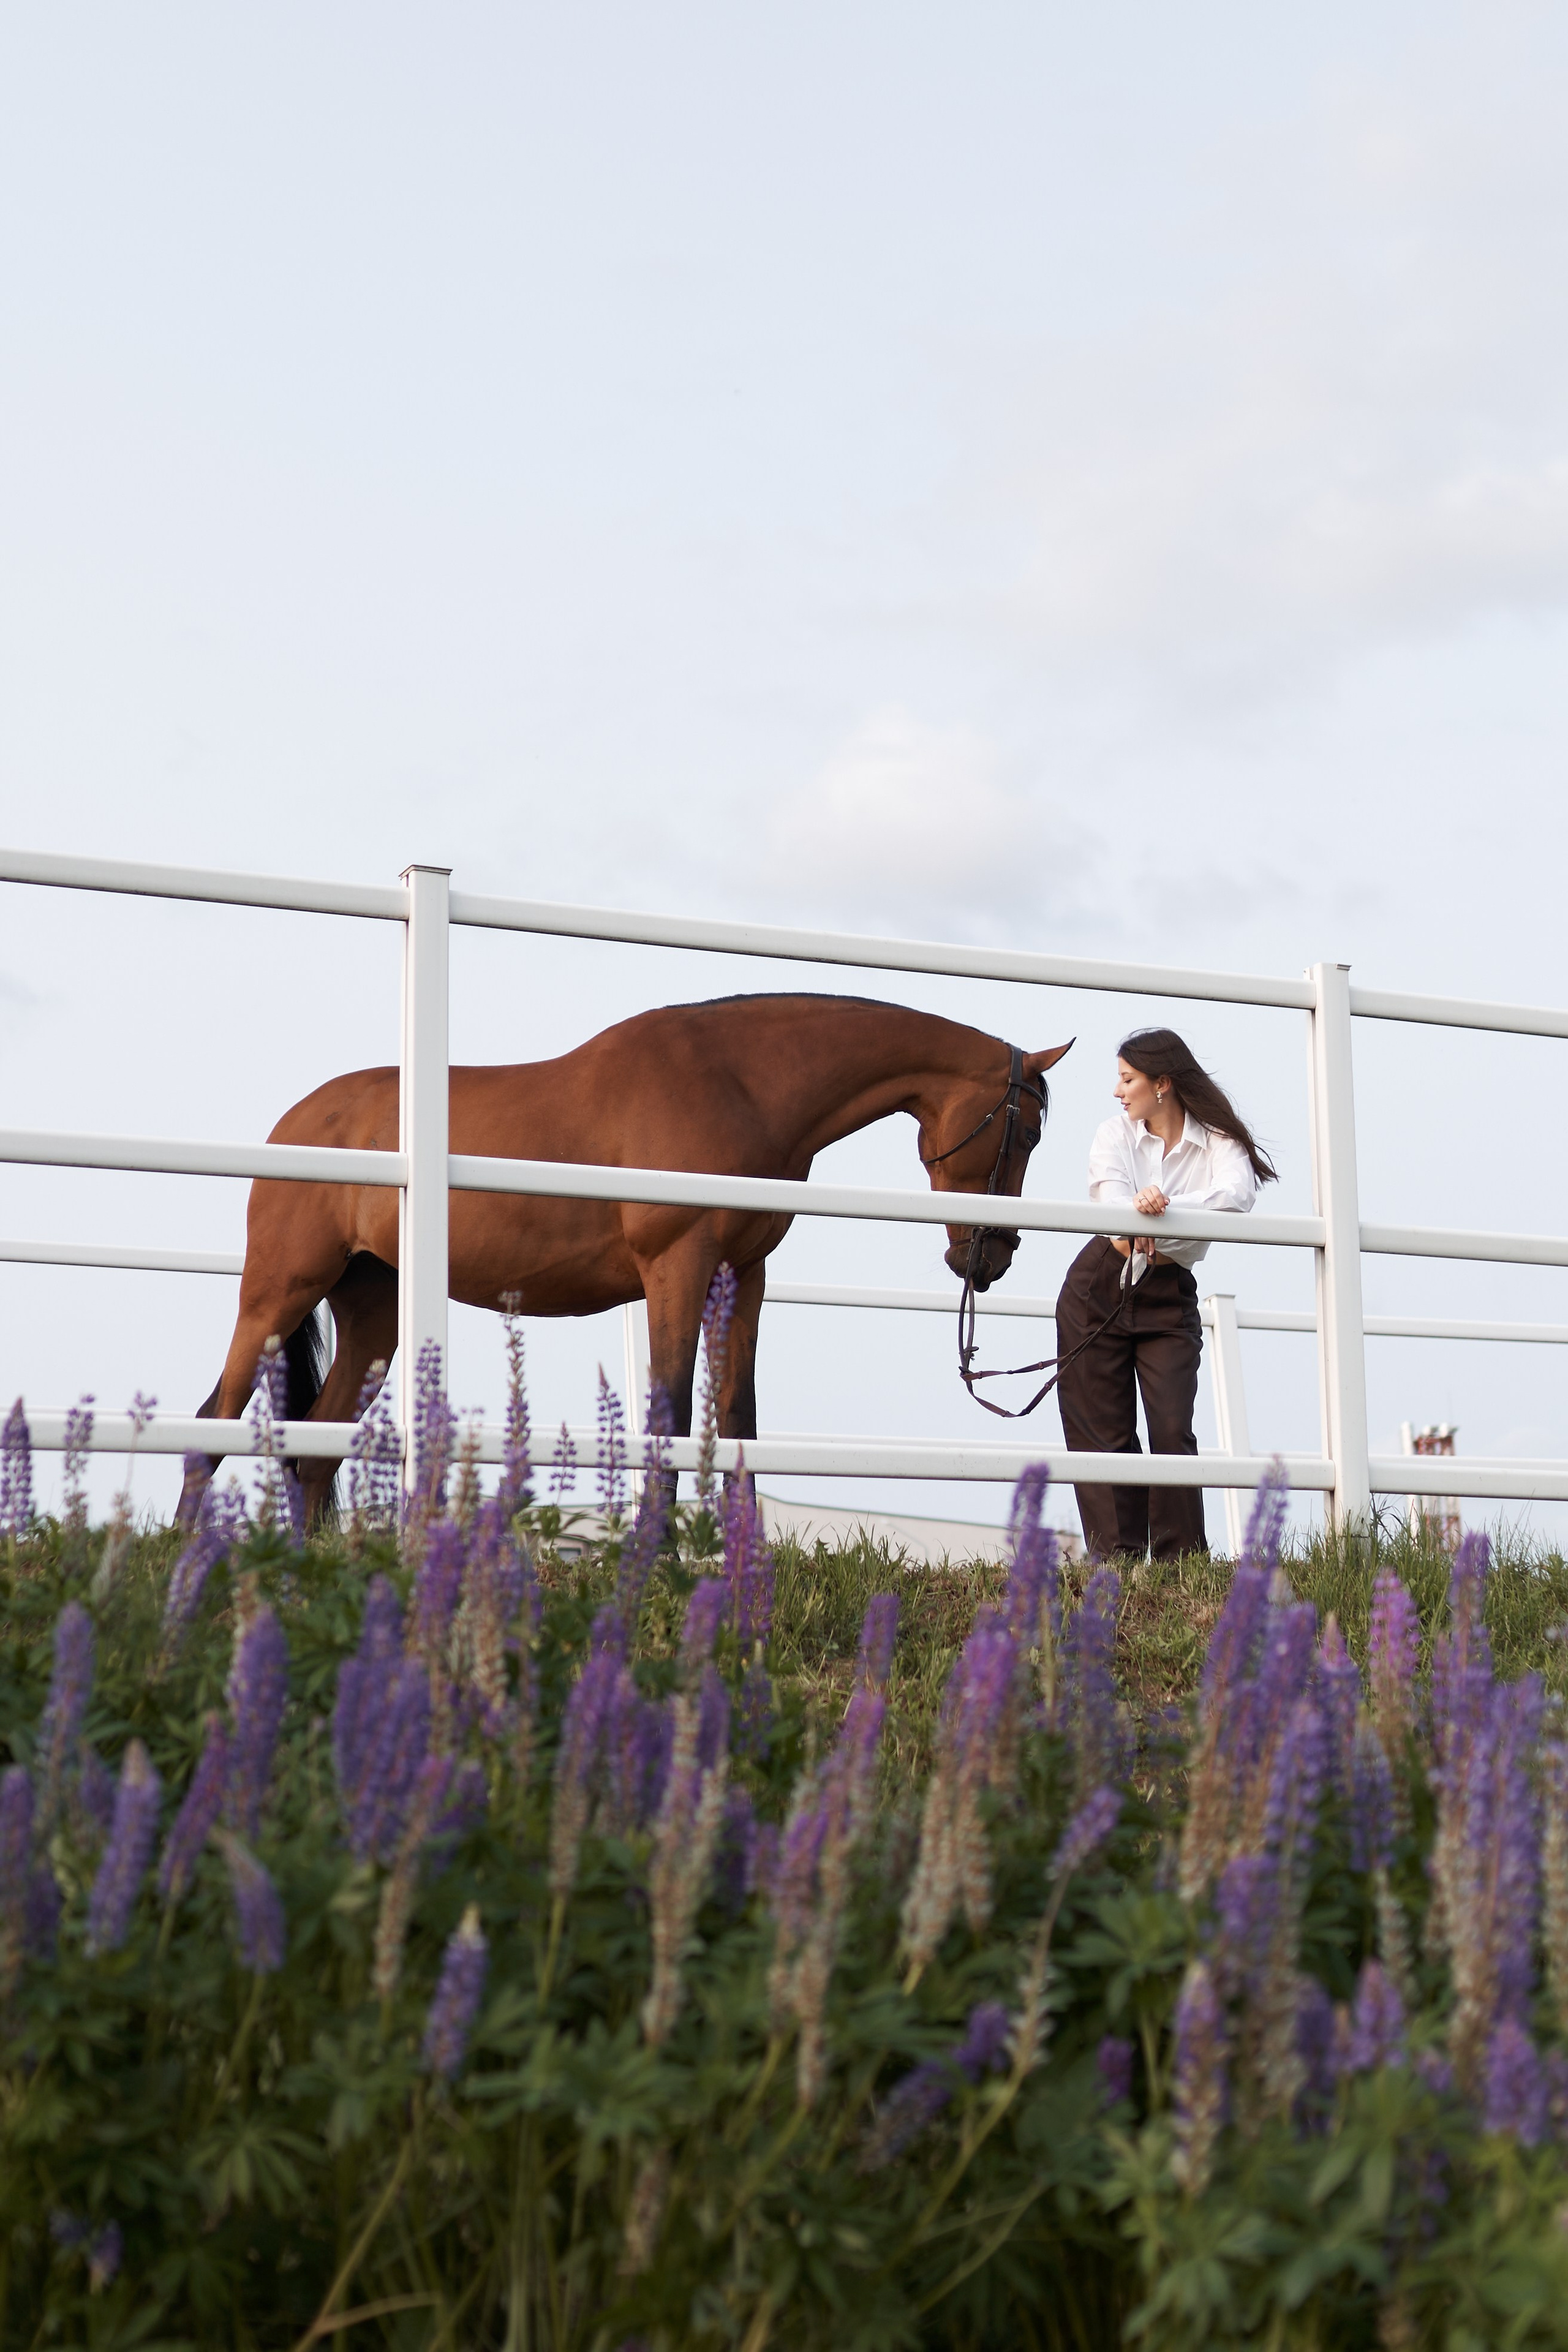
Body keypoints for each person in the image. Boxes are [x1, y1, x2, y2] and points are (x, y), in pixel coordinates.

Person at [1055, 1028, 1275, 1561]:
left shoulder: (1219, 1140)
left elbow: (1236, 1197)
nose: (1117, 1091)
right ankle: (1117, 1563)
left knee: (1173, 1428)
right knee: (1104, 1433)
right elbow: (1113, 1208)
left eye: (1127, 1078)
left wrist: (1163, 1206)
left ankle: (1182, 1563)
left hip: (1169, 1290)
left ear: (1163, 1084)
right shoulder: (1113, 1134)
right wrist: (1139, 1212)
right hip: (1098, 1287)